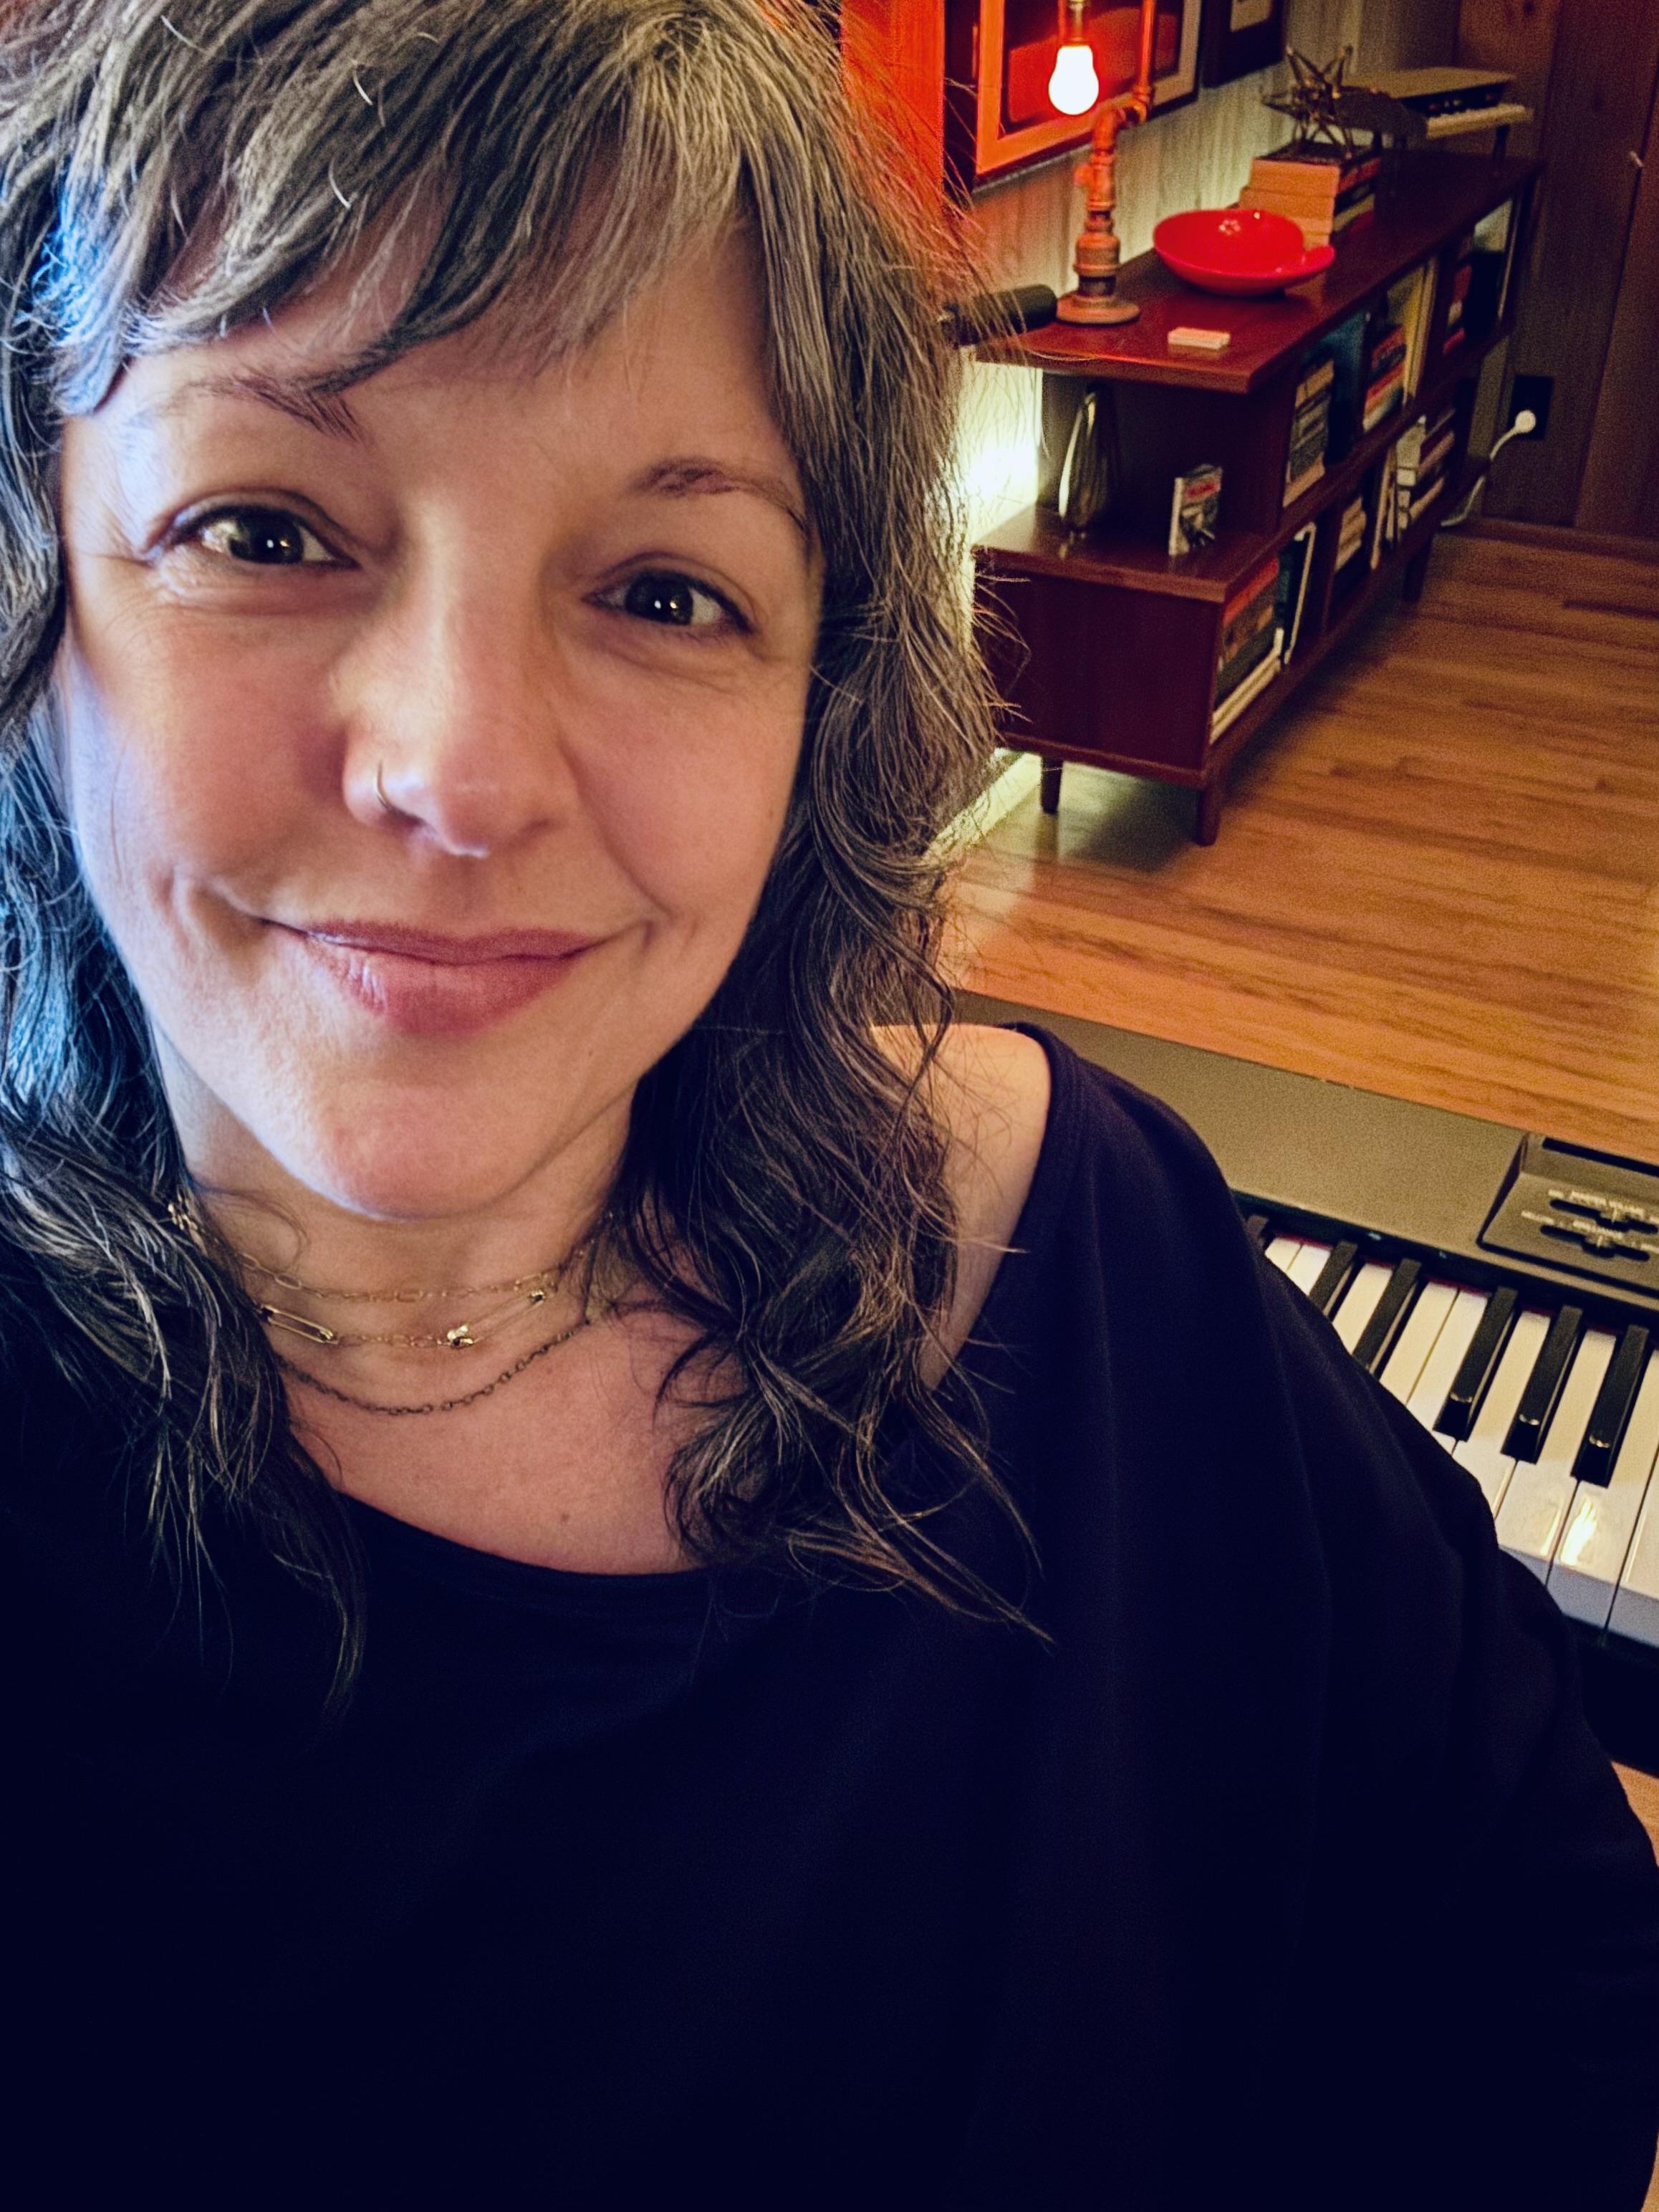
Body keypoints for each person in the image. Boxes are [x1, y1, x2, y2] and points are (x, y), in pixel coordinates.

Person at [3, 0, 1657, 2203]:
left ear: (819, 711)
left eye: (667, 587)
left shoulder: (1084, 1239)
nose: (463, 770)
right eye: (264, 529)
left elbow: (1531, 1948)